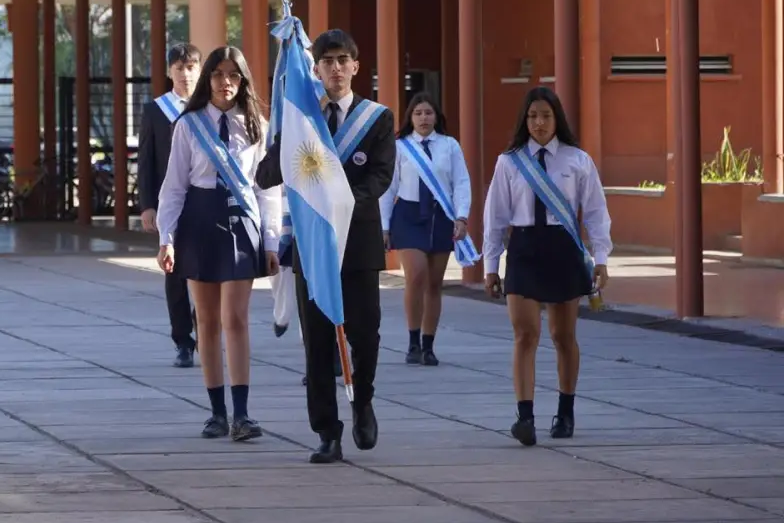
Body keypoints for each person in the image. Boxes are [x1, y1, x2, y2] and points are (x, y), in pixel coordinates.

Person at [256, 29, 395, 464]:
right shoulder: (304, 119)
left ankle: (363, 402)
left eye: (343, 60)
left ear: (356, 66)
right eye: (327, 61)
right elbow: (266, 175)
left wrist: (343, 201)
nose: (336, 68)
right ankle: (327, 431)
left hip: (357, 241)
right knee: (317, 342)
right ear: (314, 69)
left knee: (365, 333)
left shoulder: (378, 118)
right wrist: (294, 132)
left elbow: (381, 174)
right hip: (312, 244)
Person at [157, 46, 281, 442]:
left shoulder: (256, 125)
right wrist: (167, 237)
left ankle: (243, 414)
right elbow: (173, 187)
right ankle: (216, 413)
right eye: (218, 74)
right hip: (198, 221)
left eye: (233, 75)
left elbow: (267, 191)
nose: (225, 82)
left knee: (236, 319)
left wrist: (272, 240)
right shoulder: (188, 125)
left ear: (243, 80)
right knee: (206, 321)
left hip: (242, 224)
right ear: (207, 78)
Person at [483, 86, 612, 447]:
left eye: (546, 116)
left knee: (562, 336)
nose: (539, 123)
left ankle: (565, 410)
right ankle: (525, 417)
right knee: (525, 334)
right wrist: (491, 266)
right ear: (524, 121)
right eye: (533, 116)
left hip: (564, 249)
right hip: (524, 249)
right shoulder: (510, 162)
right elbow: (495, 216)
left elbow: (597, 213)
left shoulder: (577, 160)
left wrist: (601, 259)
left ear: (557, 119)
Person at [380, 93, 472, 366]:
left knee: (434, 283)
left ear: (437, 117)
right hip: (408, 215)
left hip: (440, 216)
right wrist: (384, 225)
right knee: (416, 274)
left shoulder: (449, 145)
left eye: (428, 113)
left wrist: (462, 217)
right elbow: (388, 188)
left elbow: (461, 183)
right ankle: (412, 341)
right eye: (418, 113)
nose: (423, 118)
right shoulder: (400, 147)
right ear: (410, 117)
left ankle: (428, 345)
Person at [139, 43, 202, 367]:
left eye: (191, 66)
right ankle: (183, 340)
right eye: (179, 67)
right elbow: (147, 161)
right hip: (171, 203)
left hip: (206, 201)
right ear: (169, 72)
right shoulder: (156, 111)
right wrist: (147, 205)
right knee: (174, 271)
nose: (185, 73)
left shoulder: (211, 108)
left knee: (207, 270)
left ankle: (204, 330)